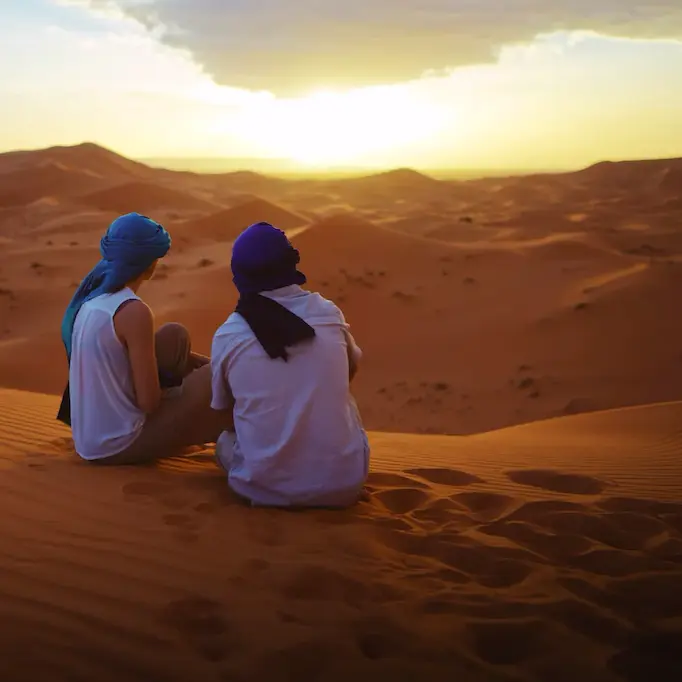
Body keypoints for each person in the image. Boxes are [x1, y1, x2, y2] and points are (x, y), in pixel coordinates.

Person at [210, 221, 370, 507]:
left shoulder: (230, 333)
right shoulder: (328, 313)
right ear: (290, 262)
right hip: (345, 486)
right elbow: (350, 371)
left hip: (261, 489)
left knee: (224, 441)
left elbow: (224, 413)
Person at [59, 212, 232, 464]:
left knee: (175, 336)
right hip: (119, 444)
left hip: (90, 440)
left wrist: (193, 369)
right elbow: (149, 402)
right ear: (150, 265)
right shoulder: (132, 311)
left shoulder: (91, 301)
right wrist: (189, 389)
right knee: (218, 376)